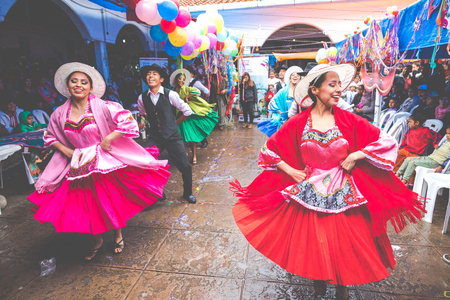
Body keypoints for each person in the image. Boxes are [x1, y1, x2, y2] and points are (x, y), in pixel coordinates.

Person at [230, 63, 424, 300]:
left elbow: (387, 142)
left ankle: (342, 284)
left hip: (345, 193)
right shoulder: (298, 122)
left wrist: (355, 155)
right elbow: (267, 151)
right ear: (315, 90)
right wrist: (291, 171)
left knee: (343, 244)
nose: (338, 90)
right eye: (332, 85)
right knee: (315, 240)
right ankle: (318, 276)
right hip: (309, 191)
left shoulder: (349, 120)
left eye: (339, 85)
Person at [28, 62, 170, 261]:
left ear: (90, 87)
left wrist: (108, 139)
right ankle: (97, 239)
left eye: (84, 82)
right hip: (78, 165)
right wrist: (66, 151)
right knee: (87, 203)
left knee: (108, 201)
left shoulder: (103, 106)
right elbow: (49, 136)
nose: (79, 85)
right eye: (74, 81)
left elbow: (128, 121)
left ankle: (118, 234)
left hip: (103, 163)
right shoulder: (59, 113)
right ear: (67, 87)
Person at [137, 64, 197, 204]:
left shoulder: (171, 94)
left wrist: (174, 124)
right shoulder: (142, 98)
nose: (151, 76)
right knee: (144, 164)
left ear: (161, 79)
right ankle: (157, 192)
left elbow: (187, 111)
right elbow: (143, 113)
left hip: (172, 136)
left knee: (185, 166)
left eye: (154, 74)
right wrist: (150, 122)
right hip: (156, 137)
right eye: (148, 74)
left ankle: (188, 193)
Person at [170, 69, 219, 164]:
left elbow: (197, 92)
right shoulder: (172, 92)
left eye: (183, 80)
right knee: (182, 138)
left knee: (191, 138)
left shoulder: (185, 89)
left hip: (187, 117)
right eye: (180, 79)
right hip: (178, 117)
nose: (181, 81)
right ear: (176, 80)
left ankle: (194, 156)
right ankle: (184, 155)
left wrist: (187, 97)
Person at [258, 66, 302, 137]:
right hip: (285, 121)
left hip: (297, 121)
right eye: (293, 75)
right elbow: (272, 103)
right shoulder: (283, 91)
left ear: (300, 78)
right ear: (290, 78)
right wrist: (282, 113)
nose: (295, 76)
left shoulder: (301, 92)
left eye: (298, 75)